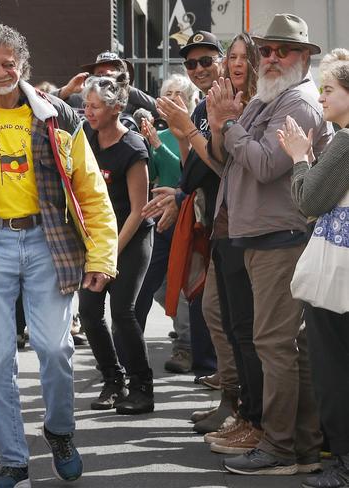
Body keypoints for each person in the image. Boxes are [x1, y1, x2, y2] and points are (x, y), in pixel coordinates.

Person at [0, 24, 118, 488]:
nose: (1, 71)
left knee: (55, 348)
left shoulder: (59, 116)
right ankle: (12, 459)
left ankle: (60, 431)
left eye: (9, 63)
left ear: (23, 66)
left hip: (47, 241)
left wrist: (101, 256)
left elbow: (91, 190)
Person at [206, 13, 332, 475]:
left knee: (274, 344)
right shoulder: (268, 98)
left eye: (282, 51)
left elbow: (260, 165)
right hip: (261, 235)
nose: (271, 58)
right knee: (282, 345)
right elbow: (230, 160)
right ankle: (299, 445)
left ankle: (281, 447)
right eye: (267, 50)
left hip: (280, 238)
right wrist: (226, 125)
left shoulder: (296, 104)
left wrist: (228, 124)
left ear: (303, 57)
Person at [278, 48, 349, 488]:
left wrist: (300, 157)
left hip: (338, 280)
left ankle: (342, 463)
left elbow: (309, 201)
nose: (321, 98)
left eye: (329, 90)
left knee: (333, 368)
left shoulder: (344, 141)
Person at [146, 31, 223, 379]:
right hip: (201, 217)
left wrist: (186, 133)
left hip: (229, 220)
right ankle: (218, 383)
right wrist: (179, 192)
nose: (199, 68)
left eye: (207, 60)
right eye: (192, 63)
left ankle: (228, 391)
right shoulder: (204, 108)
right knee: (201, 302)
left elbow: (220, 165)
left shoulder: (222, 102)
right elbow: (193, 169)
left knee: (219, 312)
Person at [78, 72, 155, 414]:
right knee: (90, 313)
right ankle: (113, 379)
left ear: (116, 108)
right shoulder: (85, 138)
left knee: (123, 312)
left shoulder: (133, 147)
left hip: (131, 236)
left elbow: (139, 210)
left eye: (95, 106)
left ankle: (142, 386)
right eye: (86, 105)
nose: (89, 112)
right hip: (97, 241)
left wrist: (110, 252)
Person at [202, 32, 265, 449]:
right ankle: (242, 409)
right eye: (234, 57)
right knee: (230, 321)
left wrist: (199, 128)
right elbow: (221, 159)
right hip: (224, 225)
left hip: (251, 228)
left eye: (245, 57)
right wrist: (213, 122)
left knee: (250, 330)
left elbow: (254, 164)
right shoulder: (227, 99)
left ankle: (254, 416)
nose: (237, 63)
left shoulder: (261, 104)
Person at [137, 73, 196, 374]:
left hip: (189, 215)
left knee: (184, 283)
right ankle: (136, 345)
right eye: (167, 93)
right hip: (161, 216)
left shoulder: (189, 131)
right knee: (155, 285)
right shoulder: (157, 132)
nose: (172, 98)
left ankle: (186, 345)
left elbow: (182, 168)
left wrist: (158, 143)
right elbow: (153, 173)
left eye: (178, 93)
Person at [55, 51, 157, 117]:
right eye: (100, 73)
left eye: (111, 73)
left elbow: (159, 110)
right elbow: (43, 105)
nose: (105, 77)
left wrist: (125, 87)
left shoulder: (129, 98)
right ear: (92, 77)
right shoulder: (80, 97)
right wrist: (68, 90)